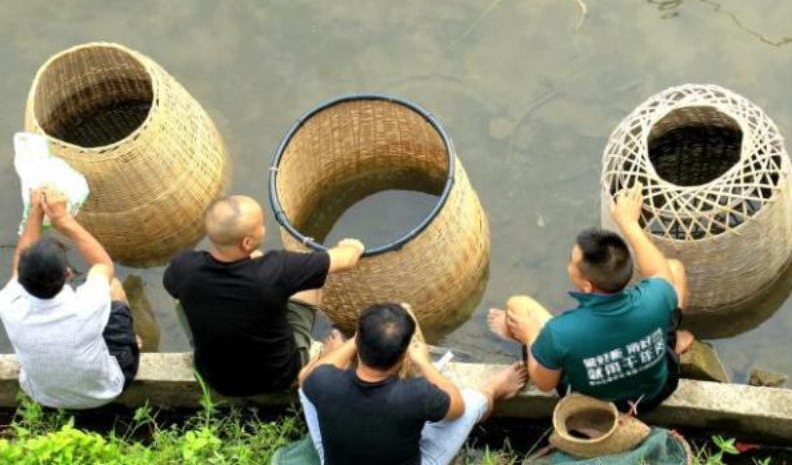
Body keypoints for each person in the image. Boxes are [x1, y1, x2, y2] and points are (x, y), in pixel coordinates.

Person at [487, 184, 692, 414]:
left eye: (571, 262)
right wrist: (629, 223)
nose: (569, 264)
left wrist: (532, 336)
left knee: (518, 305)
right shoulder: (656, 296)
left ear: (586, 285)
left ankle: (517, 334)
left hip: (596, 405)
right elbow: (661, 272)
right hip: (654, 391)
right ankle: (670, 342)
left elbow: (545, 384)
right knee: (674, 270)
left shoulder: (560, 331)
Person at [163, 195, 365, 398]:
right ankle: (324, 355)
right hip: (279, 376)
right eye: (261, 225)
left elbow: (172, 287)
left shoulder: (184, 265)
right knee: (311, 284)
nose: (264, 227)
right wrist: (352, 246)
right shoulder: (275, 269)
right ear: (247, 242)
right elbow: (346, 260)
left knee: (180, 294)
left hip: (217, 379)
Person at [299, 303, 526, 465]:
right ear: (403, 356)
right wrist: (426, 365)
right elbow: (457, 408)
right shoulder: (416, 394)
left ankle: (335, 355)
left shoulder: (325, 381)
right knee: (473, 401)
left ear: (358, 342)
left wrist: (352, 343)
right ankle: (495, 390)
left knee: (307, 386)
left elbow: (306, 378)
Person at [0, 188, 139, 409]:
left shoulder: (8, 303)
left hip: (42, 393)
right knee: (113, 287)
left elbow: (20, 261)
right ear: (68, 274)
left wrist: (35, 213)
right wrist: (63, 220)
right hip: (106, 389)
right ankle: (132, 340)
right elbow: (104, 265)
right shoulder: (86, 305)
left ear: (21, 280)